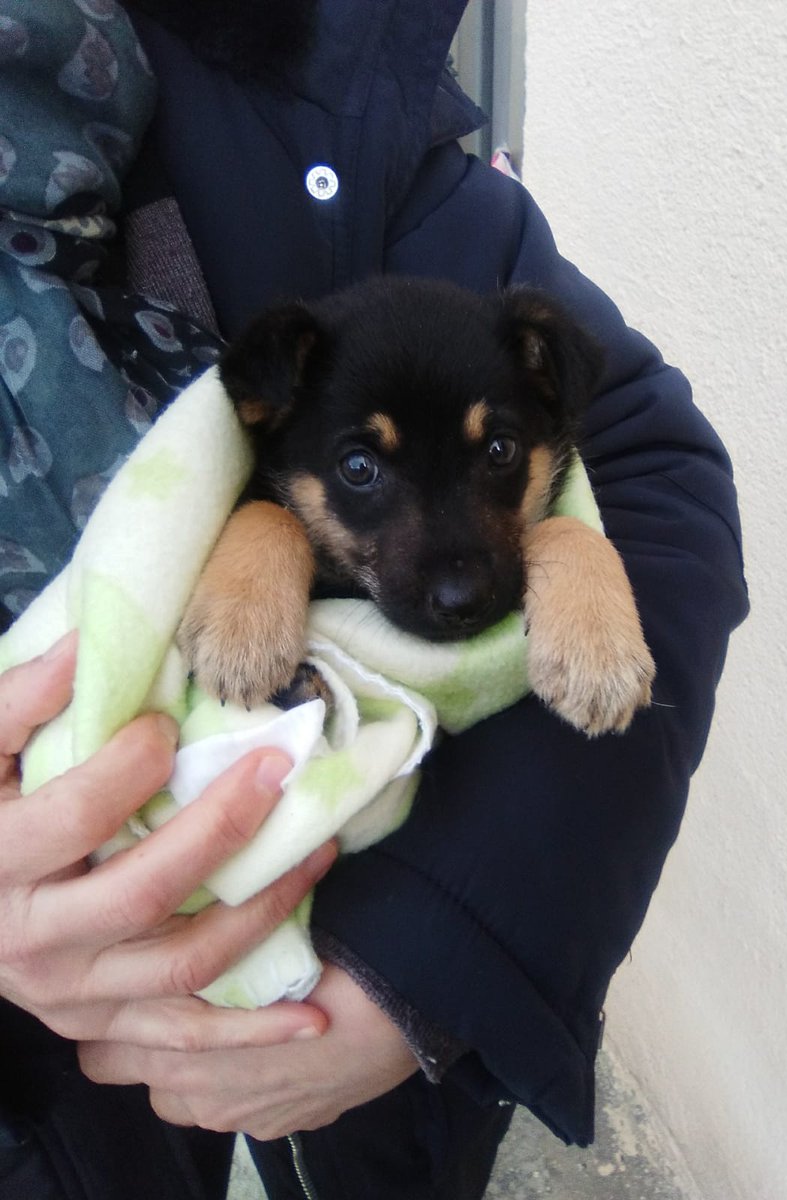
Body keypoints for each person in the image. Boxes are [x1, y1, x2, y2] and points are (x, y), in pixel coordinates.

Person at [0, 2, 749, 1198]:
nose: (449, 557)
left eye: (495, 457)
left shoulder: (325, 89)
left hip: (380, 983)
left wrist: (415, 977)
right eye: (364, 474)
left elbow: (647, 469)